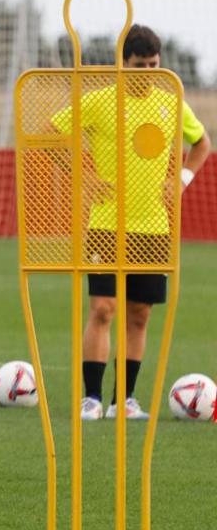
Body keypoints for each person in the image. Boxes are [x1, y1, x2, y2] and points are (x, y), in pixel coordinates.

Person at [51, 24, 210, 421]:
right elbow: (52, 134)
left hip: (154, 228)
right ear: (122, 63)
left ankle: (125, 401)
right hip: (106, 225)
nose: (148, 73)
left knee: (139, 314)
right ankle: (91, 398)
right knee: (103, 309)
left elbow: (202, 143)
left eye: (154, 65)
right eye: (140, 65)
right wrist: (83, 177)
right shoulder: (101, 101)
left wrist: (183, 179)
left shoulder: (171, 100)